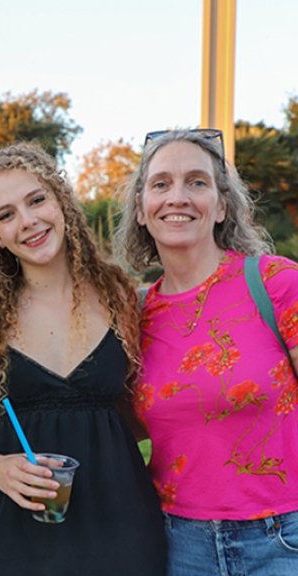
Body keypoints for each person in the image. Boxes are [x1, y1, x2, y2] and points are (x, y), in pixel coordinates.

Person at [0, 141, 167, 575]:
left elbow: (141, 408)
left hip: (121, 527)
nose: (27, 222)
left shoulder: (118, 292)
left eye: (36, 199)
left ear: (61, 201)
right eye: (6, 215)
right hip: (16, 535)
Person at [115, 128, 298, 575]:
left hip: (283, 539)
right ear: (141, 210)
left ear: (221, 206)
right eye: (161, 184)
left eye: (197, 182)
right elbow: (125, 424)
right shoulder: (132, 312)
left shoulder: (277, 283)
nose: (177, 196)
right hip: (177, 544)